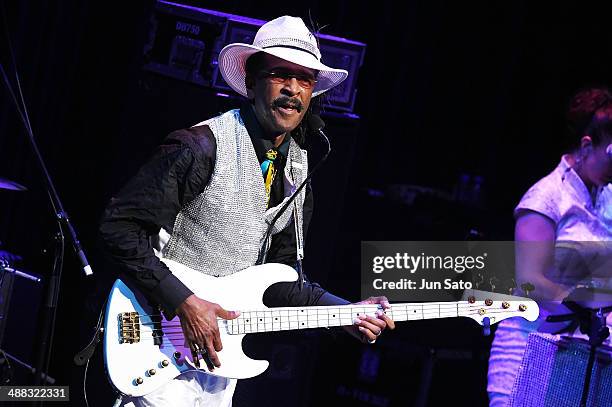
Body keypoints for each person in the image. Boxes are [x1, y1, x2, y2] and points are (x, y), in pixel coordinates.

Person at [100, 16, 395, 407]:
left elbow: (285, 281)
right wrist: (183, 301)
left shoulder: (298, 168)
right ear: (252, 81)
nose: (292, 90)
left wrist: (346, 313)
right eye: (280, 75)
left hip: (219, 361)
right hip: (158, 341)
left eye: (304, 79)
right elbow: (118, 227)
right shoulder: (200, 146)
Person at [487, 86, 612, 406]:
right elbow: (531, 282)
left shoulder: (606, 197)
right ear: (587, 146)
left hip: (582, 358)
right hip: (531, 353)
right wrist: (591, 304)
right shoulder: (545, 198)